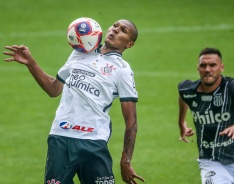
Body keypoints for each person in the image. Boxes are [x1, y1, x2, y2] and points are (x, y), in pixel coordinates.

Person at [3, 19, 145, 184]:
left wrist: (126, 161)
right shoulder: (80, 52)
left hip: (93, 141)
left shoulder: (122, 70)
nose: (115, 30)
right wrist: (31, 63)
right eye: (114, 26)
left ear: (130, 44)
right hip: (60, 137)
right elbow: (54, 89)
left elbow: (131, 121)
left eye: (123, 30)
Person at [177, 47, 234, 184]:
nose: (207, 69)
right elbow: (183, 97)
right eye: (203, 65)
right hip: (210, 161)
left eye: (212, 65)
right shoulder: (188, 89)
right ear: (198, 68)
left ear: (221, 67)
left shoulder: (232, 88)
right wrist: (181, 123)